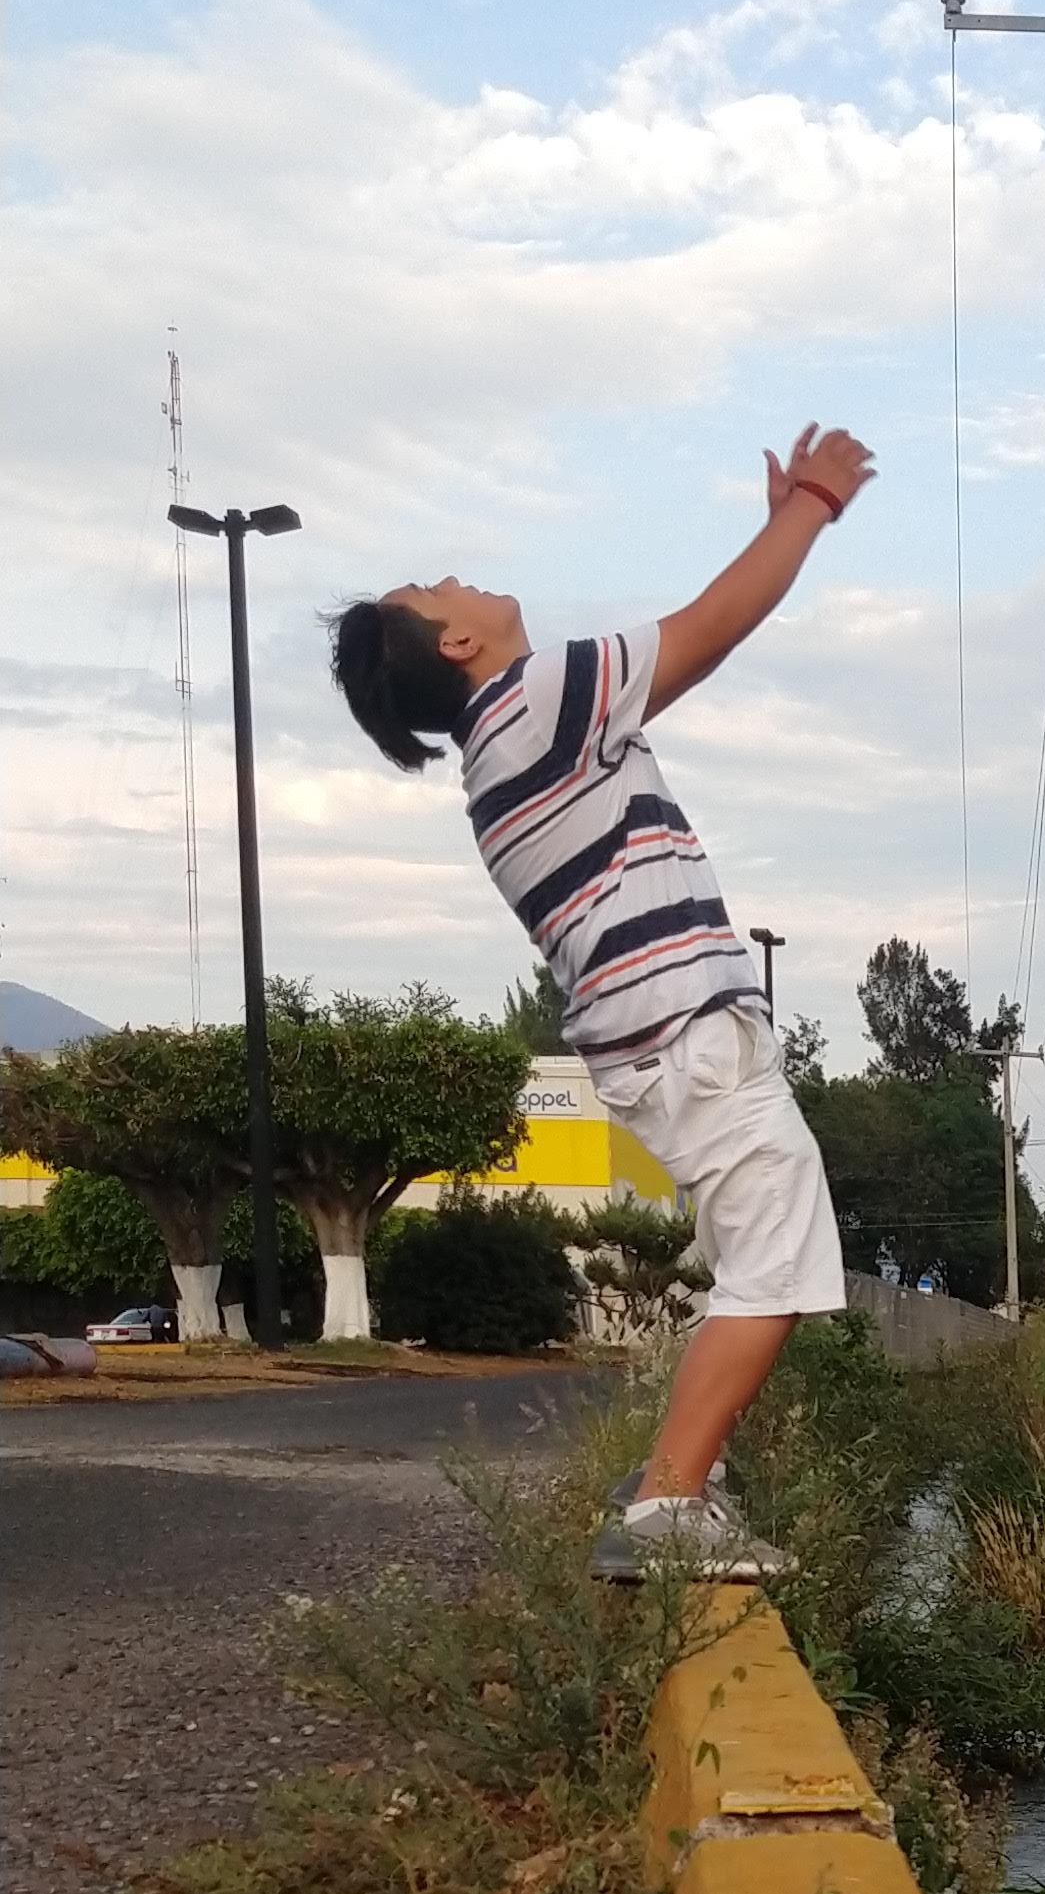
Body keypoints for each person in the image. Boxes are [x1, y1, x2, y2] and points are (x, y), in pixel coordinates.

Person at [328, 426, 877, 1578]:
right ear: (462, 643)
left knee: (749, 1254)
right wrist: (809, 509)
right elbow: (710, 629)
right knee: (780, 1256)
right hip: (688, 1033)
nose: (461, 576)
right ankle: (669, 1504)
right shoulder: (532, 699)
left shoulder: (498, 758)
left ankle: (680, 1471)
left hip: (652, 1040)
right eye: (441, 588)